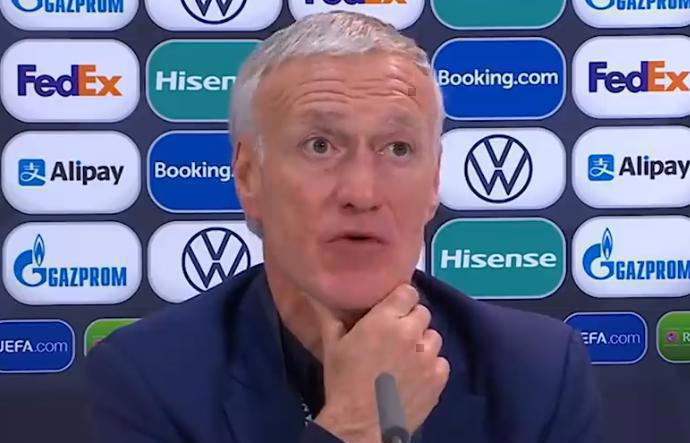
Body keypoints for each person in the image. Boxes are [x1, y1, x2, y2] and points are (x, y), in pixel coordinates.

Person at [86, 11, 601, 443]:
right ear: (248, 177)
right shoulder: (147, 380)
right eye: (320, 146)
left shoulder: (536, 373)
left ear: (433, 184)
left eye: (398, 149)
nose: (362, 192)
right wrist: (355, 427)